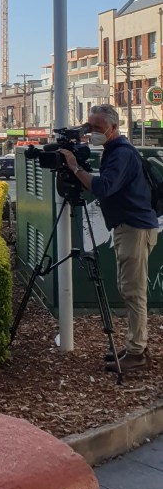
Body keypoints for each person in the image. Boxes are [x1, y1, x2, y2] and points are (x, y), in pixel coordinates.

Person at [59, 104, 159, 373]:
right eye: (89, 127)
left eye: (97, 128)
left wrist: (74, 167)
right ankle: (135, 345)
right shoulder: (115, 151)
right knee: (128, 289)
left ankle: (137, 353)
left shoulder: (121, 154)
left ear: (113, 128)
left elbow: (103, 187)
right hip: (131, 227)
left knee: (133, 292)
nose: (92, 133)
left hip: (134, 228)